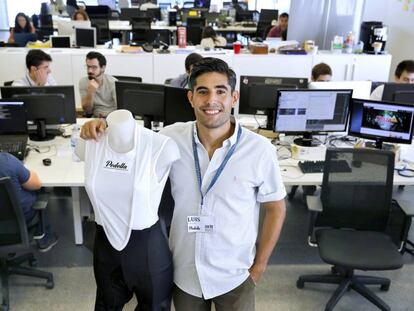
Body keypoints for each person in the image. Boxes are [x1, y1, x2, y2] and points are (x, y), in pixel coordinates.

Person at [81, 57, 287, 311]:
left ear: (234, 98)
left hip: (235, 274)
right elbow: (130, 142)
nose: (211, 100)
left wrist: (259, 267)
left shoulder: (260, 150)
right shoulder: (168, 139)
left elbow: (276, 208)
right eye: (202, 92)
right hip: (184, 273)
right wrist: (103, 127)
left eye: (220, 91)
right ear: (190, 98)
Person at [75, 109, 180, 310]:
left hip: (148, 252)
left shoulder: (161, 146)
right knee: (106, 305)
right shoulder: (90, 143)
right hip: (105, 249)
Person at [0, 152, 58, 252]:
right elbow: (37, 184)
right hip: (20, 219)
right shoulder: (6, 161)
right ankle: (45, 240)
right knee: (39, 192)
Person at [79, 51, 117, 118]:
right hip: (95, 118)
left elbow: (121, 108)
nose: (89, 71)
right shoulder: (83, 82)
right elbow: (88, 111)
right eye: (88, 67)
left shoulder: (113, 82)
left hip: (112, 117)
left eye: (94, 67)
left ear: (103, 68)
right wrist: (90, 92)